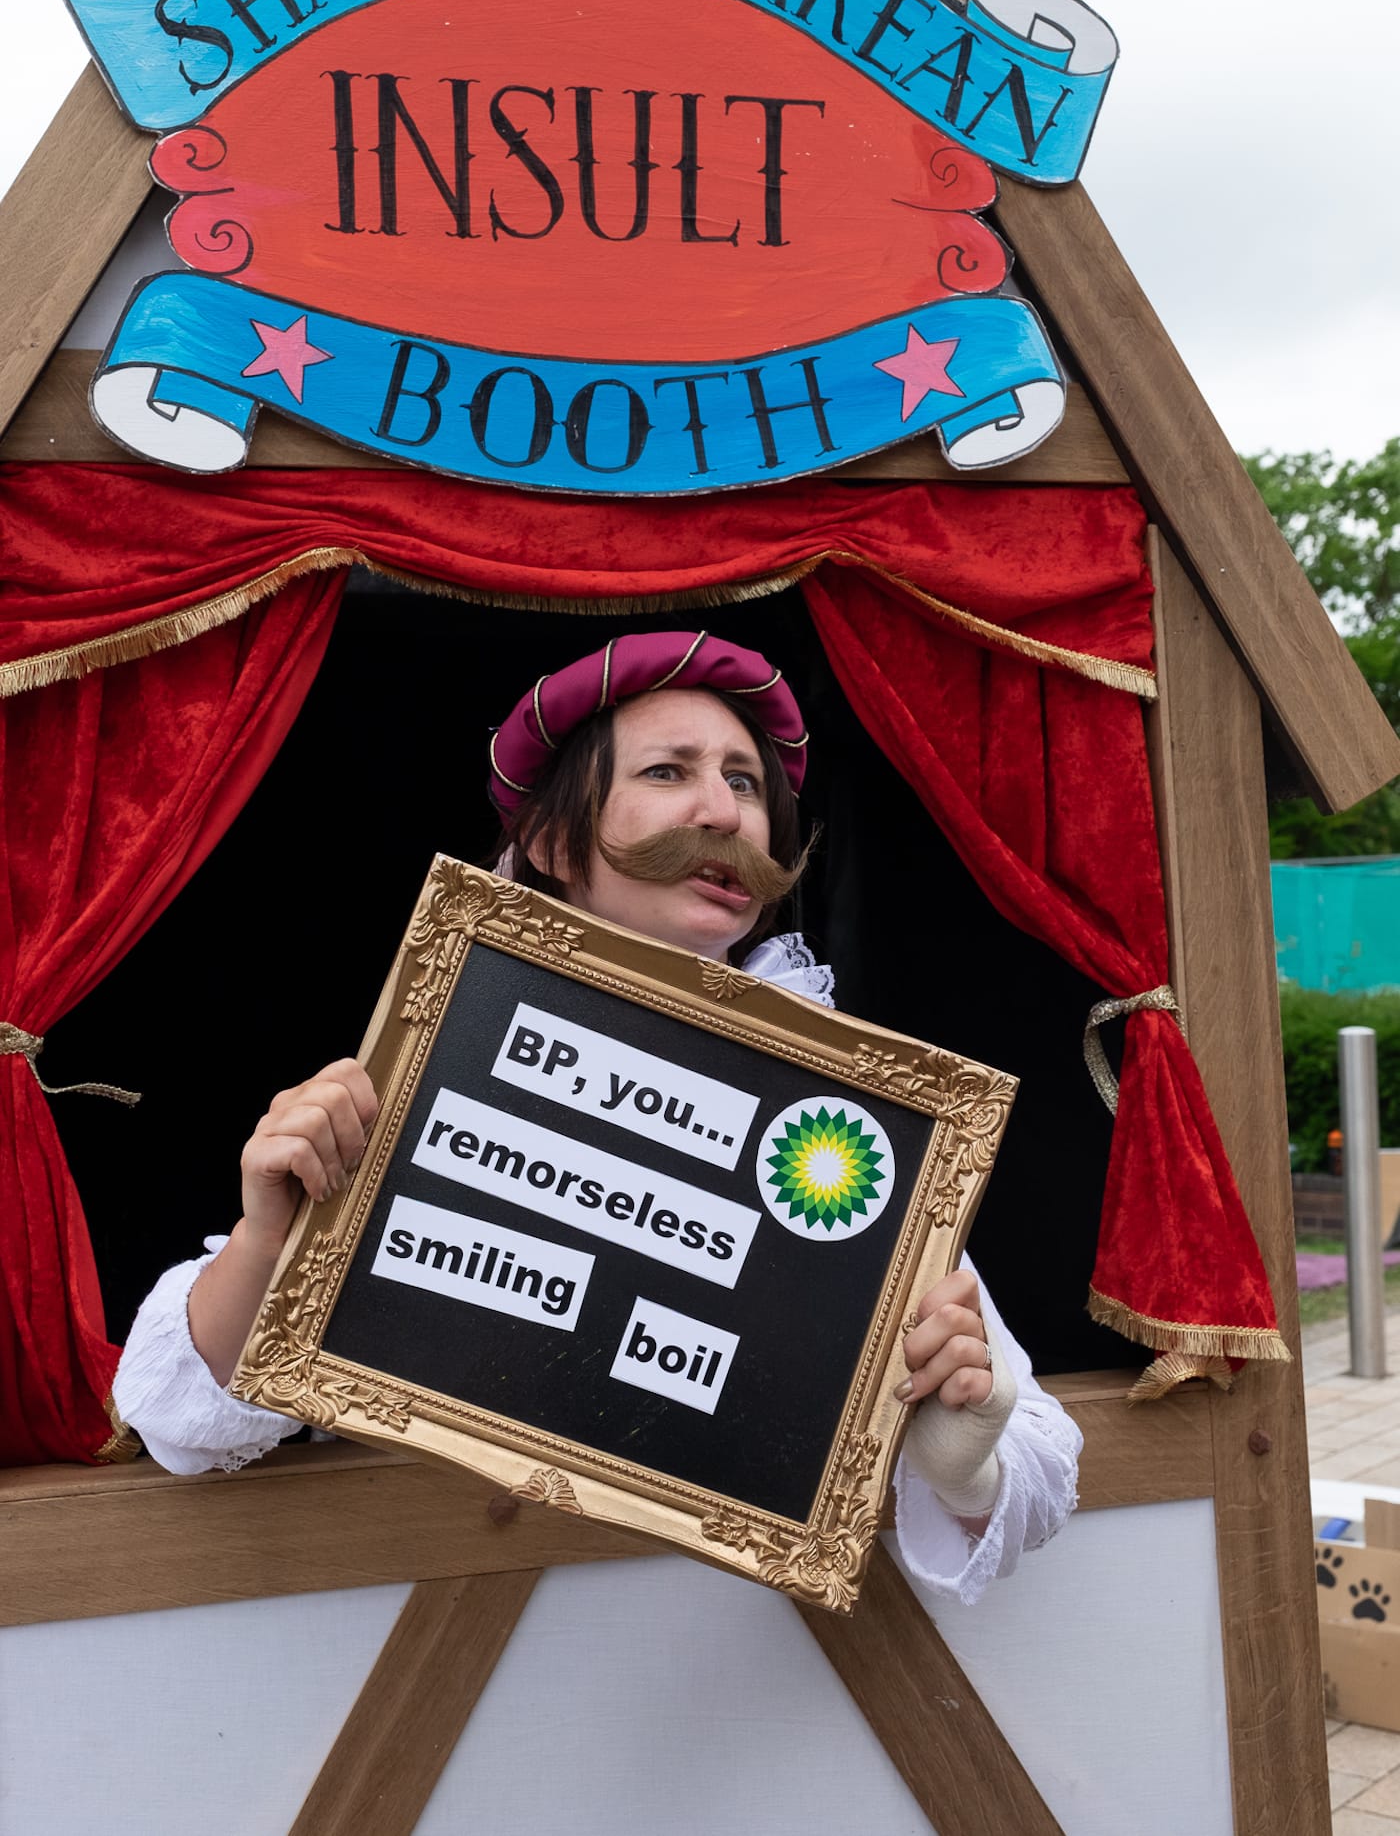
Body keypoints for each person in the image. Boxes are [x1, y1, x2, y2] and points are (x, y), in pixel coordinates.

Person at [113, 630, 1079, 1603]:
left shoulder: (836, 1131)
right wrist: (268, 1240)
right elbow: (176, 1422)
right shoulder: (439, 1069)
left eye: (746, 784)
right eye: (670, 770)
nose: (721, 810)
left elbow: (1035, 1462)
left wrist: (963, 1463)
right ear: (551, 841)